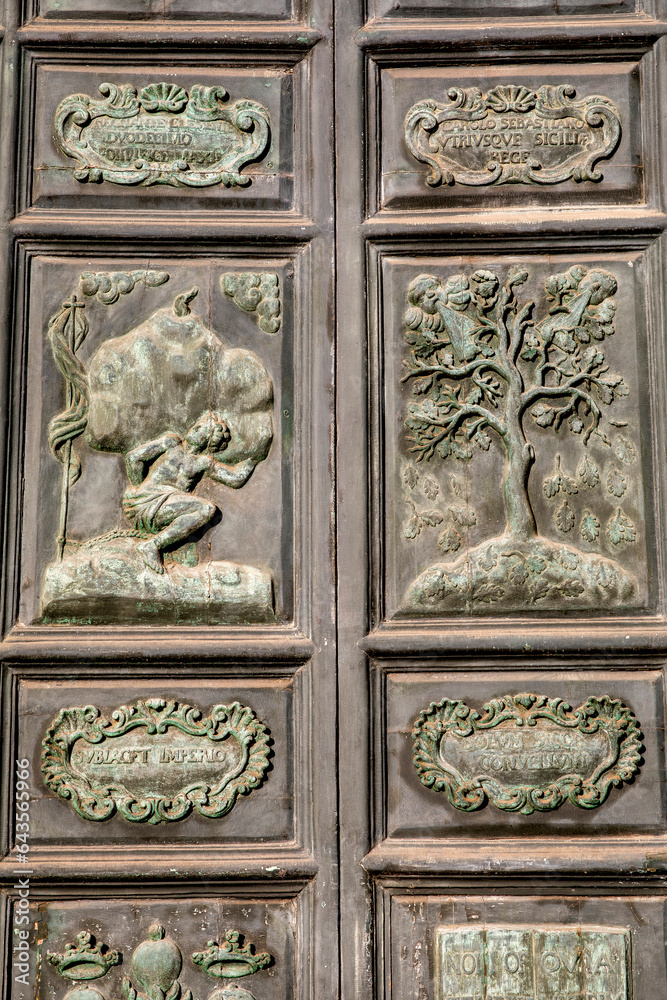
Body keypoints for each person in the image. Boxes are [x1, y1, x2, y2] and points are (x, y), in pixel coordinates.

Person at [122, 410, 256, 574]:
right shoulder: (171, 443)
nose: (195, 429)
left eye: (203, 430)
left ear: (208, 441)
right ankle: (153, 545)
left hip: (166, 509)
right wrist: (141, 489)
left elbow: (235, 479)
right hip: (140, 502)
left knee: (206, 509)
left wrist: (253, 459)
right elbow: (134, 458)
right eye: (198, 426)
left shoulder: (202, 463)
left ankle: (153, 545)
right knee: (204, 508)